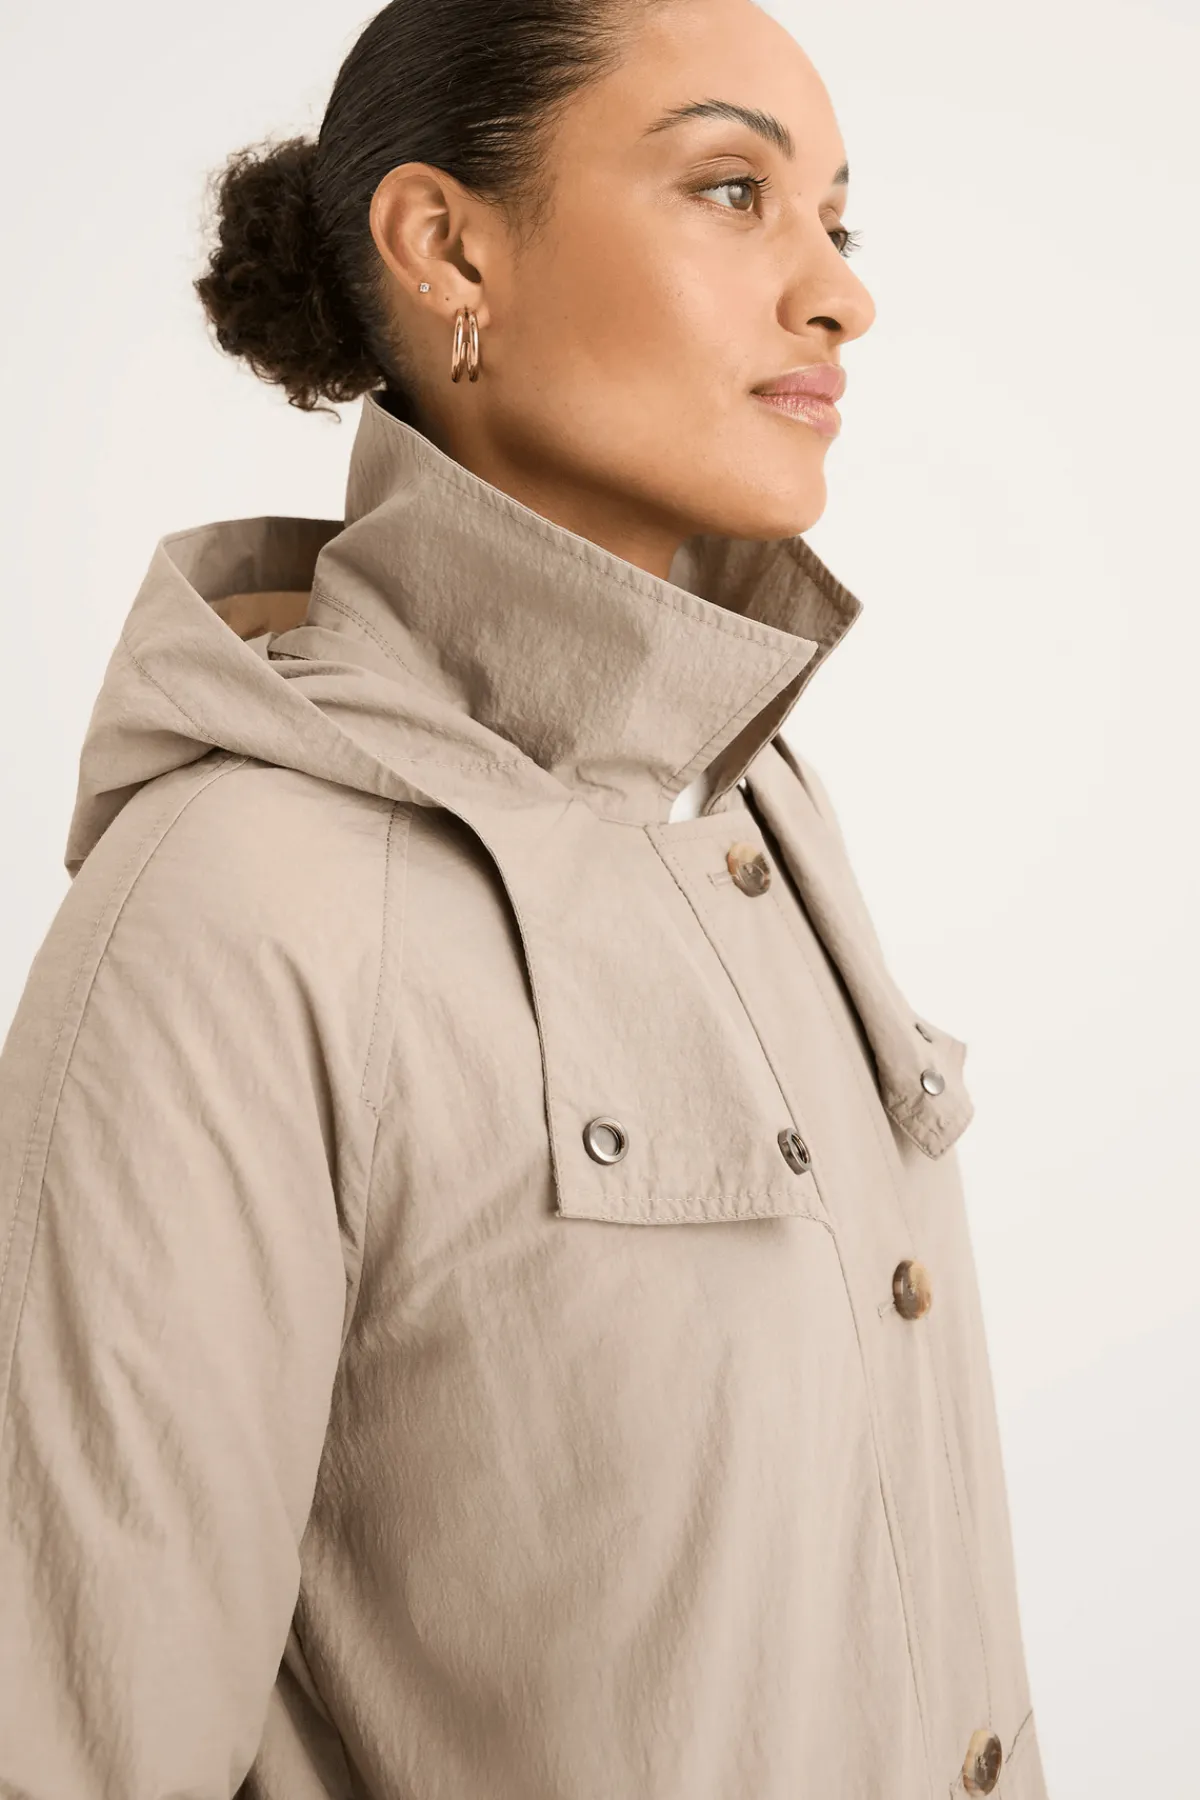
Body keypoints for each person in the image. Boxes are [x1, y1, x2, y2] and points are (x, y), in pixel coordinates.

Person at [0, 1, 1050, 1796]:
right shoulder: (236, 908)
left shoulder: (760, 809)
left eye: (836, 218)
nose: (839, 296)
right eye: (733, 190)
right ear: (447, 248)